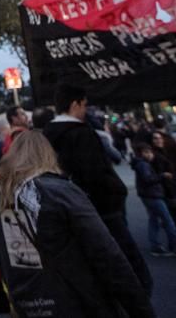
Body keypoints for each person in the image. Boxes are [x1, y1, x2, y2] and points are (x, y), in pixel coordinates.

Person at [0, 131, 155, 318]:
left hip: (27, 301)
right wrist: (140, 309)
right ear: (48, 154)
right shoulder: (62, 191)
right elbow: (106, 252)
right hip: (75, 300)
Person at [44, 85, 152, 295]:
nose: (85, 110)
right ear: (75, 104)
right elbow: (95, 174)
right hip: (101, 210)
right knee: (130, 271)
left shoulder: (47, 135)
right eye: (84, 105)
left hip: (69, 210)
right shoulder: (82, 134)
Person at [130, 143, 176, 258]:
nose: (150, 155)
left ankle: (156, 246)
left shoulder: (140, 163)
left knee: (154, 220)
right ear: (141, 154)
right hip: (153, 195)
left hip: (148, 195)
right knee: (168, 220)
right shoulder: (143, 164)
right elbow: (148, 179)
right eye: (147, 152)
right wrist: (162, 175)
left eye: (150, 152)